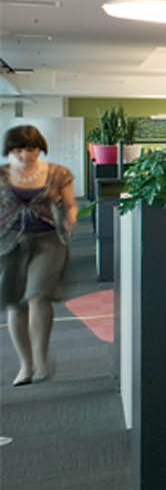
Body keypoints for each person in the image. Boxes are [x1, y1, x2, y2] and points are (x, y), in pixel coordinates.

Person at [3, 125, 78, 385]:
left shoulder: (58, 173)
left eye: (32, 148)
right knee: (16, 303)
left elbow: (70, 205)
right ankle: (26, 365)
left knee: (38, 295)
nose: (27, 154)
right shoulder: (1, 175)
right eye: (20, 149)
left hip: (48, 241)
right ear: (11, 150)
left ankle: (41, 359)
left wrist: (70, 219)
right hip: (9, 243)